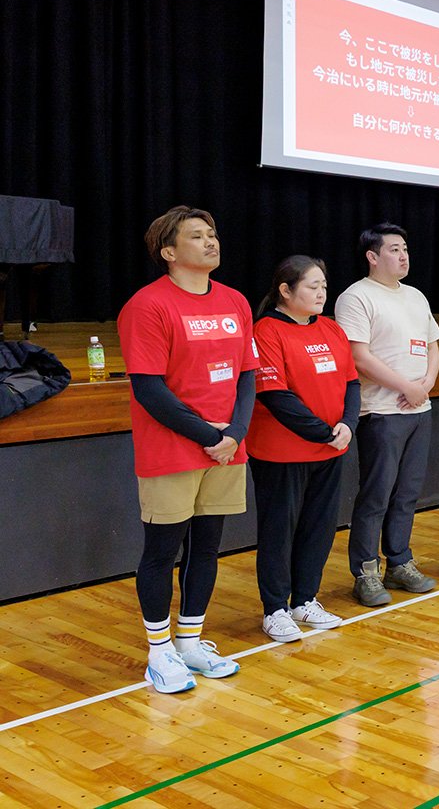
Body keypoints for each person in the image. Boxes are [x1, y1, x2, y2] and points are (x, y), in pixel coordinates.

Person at [120, 206, 258, 693]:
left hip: (226, 449)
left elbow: (246, 375)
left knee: (207, 547)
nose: (211, 242)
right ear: (169, 252)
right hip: (174, 450)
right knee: (162, 551)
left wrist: (235, 435)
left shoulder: (236, 301)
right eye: (197, 236)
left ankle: (190, 641)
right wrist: (209, 434)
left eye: (213, 233)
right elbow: (149, 390)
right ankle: (159, 653)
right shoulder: (148, 305)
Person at [248, 255, 359, 643]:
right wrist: (323, 431)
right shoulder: (266, 330)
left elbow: (351, 383)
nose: (321, 293)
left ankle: (305, 599)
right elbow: (276, 395)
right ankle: (275, 608)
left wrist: (347, 424)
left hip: (330, 449)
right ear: (285, 290)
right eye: (312, 286)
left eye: (324, 286)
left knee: (319, 528)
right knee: (280, 531)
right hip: (282, 453)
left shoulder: (330, 328)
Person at [335, 223, 439, 607]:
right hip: (381, 410)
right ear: (372, 256)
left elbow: (432, 345)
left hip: (419, 407)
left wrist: (426, 383)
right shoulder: (356, 297)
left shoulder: (415, 295)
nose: (403, 255)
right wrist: (406, 386)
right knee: (377, 493)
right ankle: (366, 570)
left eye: (405, 248)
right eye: (395, 249)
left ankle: (400, 561)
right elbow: (358, 356)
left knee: (408, 492)